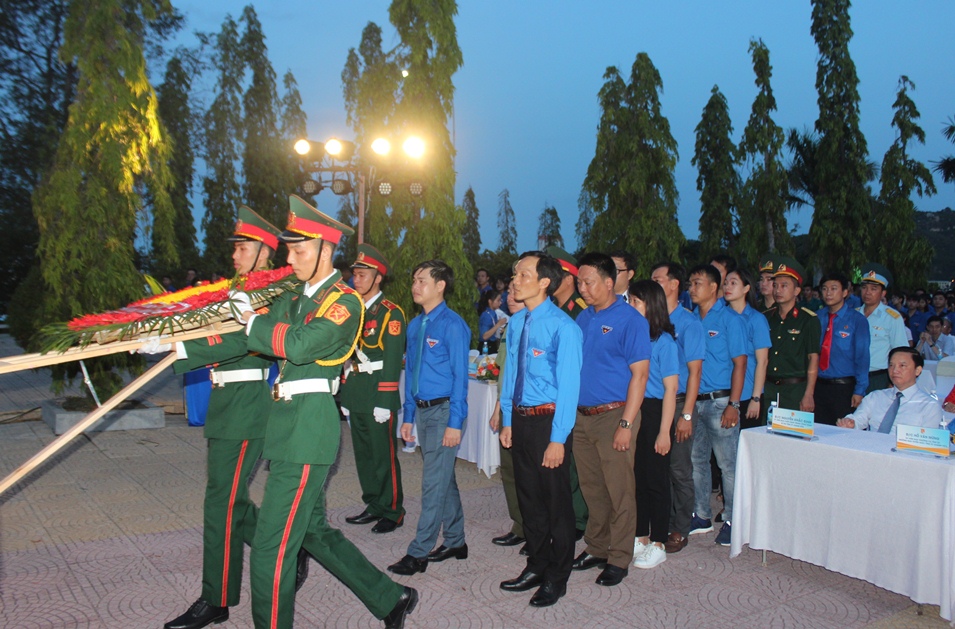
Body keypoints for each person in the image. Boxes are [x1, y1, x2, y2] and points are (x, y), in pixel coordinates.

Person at [230, 196, 416, 629]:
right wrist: (185, 342)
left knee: (271, 548)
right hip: (287, 426)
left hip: (308, 428)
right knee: (313, 532)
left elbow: (294, 345)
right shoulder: (294, 298)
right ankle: (391, 598)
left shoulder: (345, 302)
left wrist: (252, 321)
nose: (290, 258)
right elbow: (254, 337)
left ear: (325, 250)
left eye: (299, 250)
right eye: (289, 249)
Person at [157, 206, 282, 629]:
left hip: (247, 407)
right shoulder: (235, 289)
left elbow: (238, 340)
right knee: (230, 500)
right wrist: (166, 332)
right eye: (235, 248)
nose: (235, 254)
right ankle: (290, 545)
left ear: (265, 251)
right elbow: (208, 326)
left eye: (244, 247)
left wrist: (181, 350)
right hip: (226, 403)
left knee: (221, 504)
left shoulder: (270, 291)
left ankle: (217, 598)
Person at [498, 251, 582, 607]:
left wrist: (558, 439)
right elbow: (510, 377)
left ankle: (557, 576)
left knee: (556, 504)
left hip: (549, 422)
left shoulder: (565, 327)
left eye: (523, 274)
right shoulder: (517, 323)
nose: (515, 280)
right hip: (521, 419)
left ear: (545, 281)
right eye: (514, 274)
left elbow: (569, 388)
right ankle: (536, 563)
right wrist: (506, 420)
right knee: (528, 498)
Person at [570, 252, 649, 587]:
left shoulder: (631, 319)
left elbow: (640, 376)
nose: (582, 288)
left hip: (615, 414)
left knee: (619, 490)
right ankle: (597, 546)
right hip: (583, 418)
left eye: (588, 282)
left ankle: (619, 556)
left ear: (608, 281)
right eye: (578, 282)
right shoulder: (583, 318)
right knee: (592, 488)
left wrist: (627, 424)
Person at [389, 260, 471, 576]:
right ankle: (455, 541)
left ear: (441, 285)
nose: (415, 286)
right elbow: (410, 373)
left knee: (432, 482)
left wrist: (455, 422)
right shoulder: (415, 325)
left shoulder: (453, 325)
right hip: (422, 411)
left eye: (422, 280)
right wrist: (407, 415)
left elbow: (461, 377)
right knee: (443, 477)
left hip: (445, 411)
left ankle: (418, 552)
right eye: (414, 279)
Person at [339, 244, 407, 535]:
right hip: (357, 390)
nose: (358, 279)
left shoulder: (391, 313)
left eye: (364, 274)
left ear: (378, 277)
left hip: (379, 393)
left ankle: (392, 510)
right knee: (364, 454)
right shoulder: (352, 309)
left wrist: (386, 398)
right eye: (355, 274)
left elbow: (392, 360)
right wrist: (345, 392)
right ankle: (373, 504)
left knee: (383, 455)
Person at [686, 264, 747, 547]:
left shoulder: (729, 320)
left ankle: (734, 520)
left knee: (727, 465)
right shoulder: (691, 320)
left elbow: (740, 363)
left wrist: (734, 403)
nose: (692, 288)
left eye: (697, 283)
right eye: (690, 283)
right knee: (696, 461)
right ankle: (701, 514)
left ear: (714, 287)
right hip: (694, 402)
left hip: (721, 401)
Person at [649, 262, 704, 555]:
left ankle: (679, 527)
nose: (653, 283)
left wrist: (686, 415)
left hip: (681, 402)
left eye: (658, 279)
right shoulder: (650, 321)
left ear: (673, 285)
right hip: (655, 403)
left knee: (679, 468)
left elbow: (695, 373)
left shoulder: (688, 322)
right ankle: (659, 520)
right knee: (657, 466)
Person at [626, 280, 679, 570]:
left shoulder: (665, 342)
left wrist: (663, 431)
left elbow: (671, 390)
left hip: (658, 411)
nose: (631, 307)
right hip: (637, 410)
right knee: (639, 478)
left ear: (652, 306)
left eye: (636, 302)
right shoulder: (635, 337)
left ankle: (659, 541)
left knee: (657, 479)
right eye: (630, 301)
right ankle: (641, 536)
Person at [545, 245, 590, 537]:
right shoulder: (550, 310)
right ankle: (560, 515)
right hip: (551, 395)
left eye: (555, 274)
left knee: (573, 463)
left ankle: (579, 520)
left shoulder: (580, 311)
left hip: (573, 395)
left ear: (570, 277)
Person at [489, 280, 527, 550]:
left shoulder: (533, 324)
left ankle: (533, 526)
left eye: (514, 292)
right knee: (510, 471)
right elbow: (504, 373)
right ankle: (520, 524)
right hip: (507, 407)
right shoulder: (511, 325)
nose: (509, 297)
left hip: (528, 409)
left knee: (528, 472)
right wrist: (496, 409)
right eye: (508, 292)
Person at [763, 257, 820, 417]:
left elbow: (813, 358)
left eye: (784, 286)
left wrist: (808, 394)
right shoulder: (766, 318)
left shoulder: (808, 319)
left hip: (795, 390)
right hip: (769, 388)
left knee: (794, 438)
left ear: (796, 291)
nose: (778, 290)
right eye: (775, 286)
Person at [836, 347, 943, 431]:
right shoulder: (876, 397)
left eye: (902, 366)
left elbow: (928, 443)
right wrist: (850, 423)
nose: (895, 370)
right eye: (891, 365)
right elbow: (858, 420)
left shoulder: (929, 406)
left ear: (918, 370)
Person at [814, 272, 870, 425]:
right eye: (825, 289)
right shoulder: (816, 318)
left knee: (841, 433)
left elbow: (862, 357)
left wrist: (860, 390)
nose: (828, 293)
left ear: (845, 292)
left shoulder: (857, 320)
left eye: (833, 288)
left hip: (843, 388)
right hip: (818, 386)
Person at [723, 268, 771, 430]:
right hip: (721, 392)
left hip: (747, 393)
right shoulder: (720, 317)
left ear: (746, 288)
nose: (727, 287)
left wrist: (755, 399)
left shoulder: (756, 319)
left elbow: (762, 361)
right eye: (725, 283)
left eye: (733, 283)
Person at [857, 263, 908, 393]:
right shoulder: (853, 315)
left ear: (883, 293)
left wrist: (894, 380)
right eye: (864, 288)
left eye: (874, 289)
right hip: (853, 377)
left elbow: (900, 351)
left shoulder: (892, 318)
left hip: (878, 378)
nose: (868, 292)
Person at [547, 246, 588, 320]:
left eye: (555, 277)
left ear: (569, 279)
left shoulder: (582, 310)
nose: (549, 281)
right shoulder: (549, 307)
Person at [478, 289, 507, 353]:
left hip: (492, 344)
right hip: (486, 346)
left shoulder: (493, 313)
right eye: (498, 300)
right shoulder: (486, 315)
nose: (500, 302)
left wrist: (500, 329)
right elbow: (484, 336)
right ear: (490, 302)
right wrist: (498, 324)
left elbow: (492, 329)